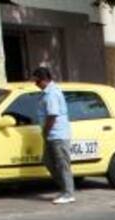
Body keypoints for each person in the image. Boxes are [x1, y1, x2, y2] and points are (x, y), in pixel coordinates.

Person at [33, 66, 75, 205]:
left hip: (57, 134)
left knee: (62, 164)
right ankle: (64, 188)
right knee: (48, 161)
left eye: (37, 81)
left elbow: (52, 115)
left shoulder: (51, 94)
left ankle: (68, 193)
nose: (36, 84)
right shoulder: (47, 92)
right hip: (52, 135)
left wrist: (45, 130)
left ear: (44, 80)